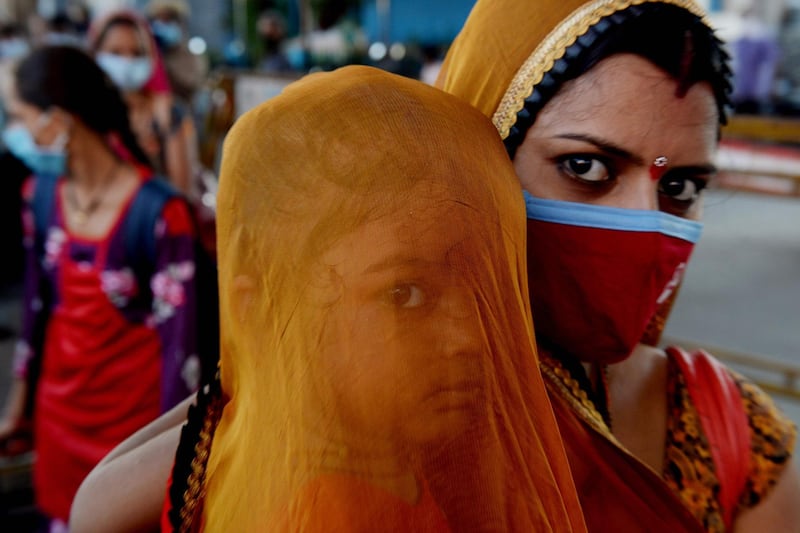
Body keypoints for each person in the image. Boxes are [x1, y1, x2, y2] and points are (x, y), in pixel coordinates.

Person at [70, 65, 588, 532]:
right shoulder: (323, 511)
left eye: (475, 289)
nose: (467, 337)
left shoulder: (396, 467)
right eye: (404, 294)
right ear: (264, 315)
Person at [435, 0, 799, 531]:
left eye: (679, 186)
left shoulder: (734, 434)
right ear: (475, 163)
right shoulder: (371, 426)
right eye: (586, 167)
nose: (645, 227)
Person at [0, 45, 201, 529]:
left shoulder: (161, 215)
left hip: (131, 440)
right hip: (58, 424)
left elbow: (183, 358)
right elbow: (35, 312)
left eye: (21, 118)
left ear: (60, 121)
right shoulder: (39, 196)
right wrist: (16, 410)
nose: (16, 133)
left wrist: (170, 468)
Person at [87, 8, 198, 197]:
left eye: (137, 53)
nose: (127, 61)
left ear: (152, 57)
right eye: (116, 52)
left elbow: (182, 191)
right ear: (96, 54)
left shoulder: (166, 112)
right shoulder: (86, 112)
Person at [145, 0, 208, 108]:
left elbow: (192, 84)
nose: (162, 24)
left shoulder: (190, 54)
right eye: (159, 19)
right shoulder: (145, 52)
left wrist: (164, 65)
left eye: (169, 19)